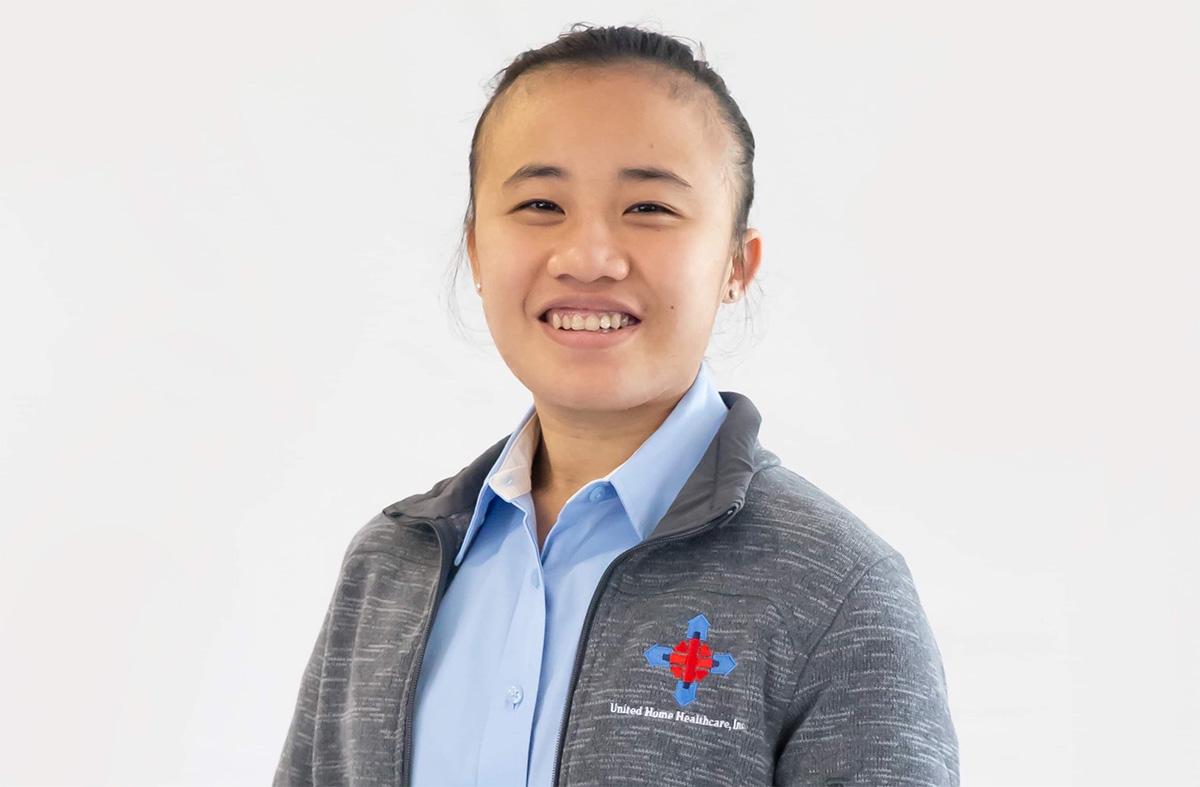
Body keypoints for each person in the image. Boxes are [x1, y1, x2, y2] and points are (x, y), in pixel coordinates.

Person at [273, 23, 959, 787]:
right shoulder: (391, 565)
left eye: (649, 208)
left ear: (737, 264)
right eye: (539, 203)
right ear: (475, 248)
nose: (588, 257)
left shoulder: (837, 589)